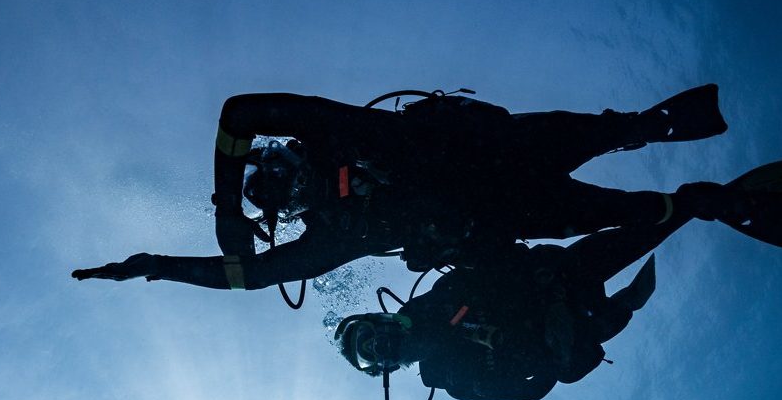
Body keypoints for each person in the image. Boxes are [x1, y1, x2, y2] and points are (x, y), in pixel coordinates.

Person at [72, 85, 729, 289]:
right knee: (626, 212)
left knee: (606, 132)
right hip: (508, 210)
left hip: (495, 148)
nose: (280, 184)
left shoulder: (332, 133)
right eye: (272, 196)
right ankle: (688, 203)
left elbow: (239, 112)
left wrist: (225, 207)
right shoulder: (334, 235)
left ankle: (644, 129)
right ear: (288, 213)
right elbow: (250, 278)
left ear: (285, 152)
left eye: (267, 172)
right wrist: (156, 266)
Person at [334, 161, 782, 400]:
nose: (379, 346)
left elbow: (494, 260)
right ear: (387, 370)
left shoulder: (434, 297)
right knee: (592, 336)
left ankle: (717, 202)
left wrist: (532, 276)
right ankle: (629, 299)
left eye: (369, 336)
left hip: (560, 277)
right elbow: (531, 391)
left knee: (649, 228)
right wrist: (550, 349)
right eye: (372, 356)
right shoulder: (451, 378)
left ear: (380, 316)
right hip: (575, 322)